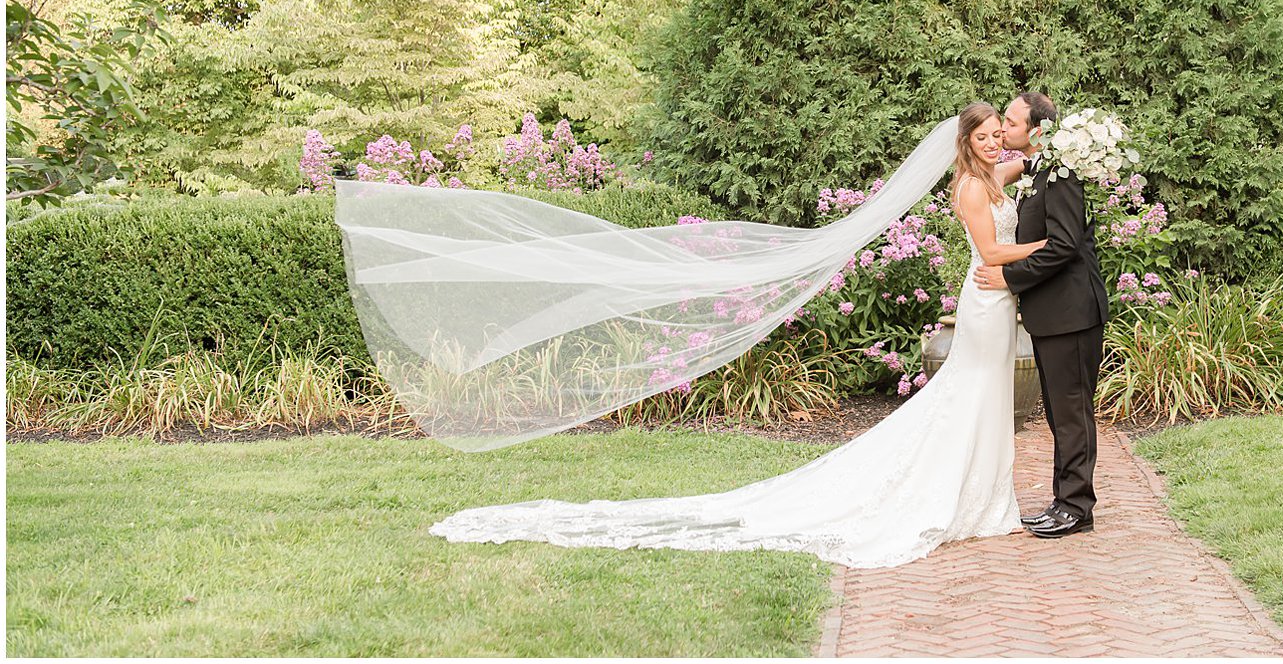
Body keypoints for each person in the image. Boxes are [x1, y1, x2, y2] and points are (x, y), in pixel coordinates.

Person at [422, 102, 1047, 568]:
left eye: (1000, 136)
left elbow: (1032, 163)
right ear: (964, 143)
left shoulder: (997, 176)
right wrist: (1051, 247)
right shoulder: (969, 186)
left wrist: (1058, 147)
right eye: (985, 137)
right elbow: (990, 250)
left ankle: (988, 504)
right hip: (985, 302)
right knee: (969, 399)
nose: (996, 144)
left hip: (996, 301)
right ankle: (970, 503)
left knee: (986, 401)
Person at [974, 92, 1109, 539]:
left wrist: (1009, 279)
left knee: (1071, 412)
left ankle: (1075, 507)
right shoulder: (1040, 169)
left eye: (1010, 123)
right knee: (1059, 412)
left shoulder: (1062, 176)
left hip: (1072, 312)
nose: (1003, 129)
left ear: (1036, 129)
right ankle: (1063, 500)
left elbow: (1065, 245)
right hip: (1053, 314)